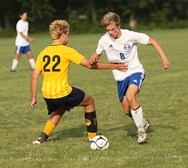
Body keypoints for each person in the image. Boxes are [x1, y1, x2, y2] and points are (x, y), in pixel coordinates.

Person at [30, 19, 128, 144]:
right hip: (63, 92)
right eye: (68, 34)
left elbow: (34, 76)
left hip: (47, 94)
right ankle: (92, 137)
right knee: (89, 101)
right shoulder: (67, 51)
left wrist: (33, 97)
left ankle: (42, 138)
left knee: (59, 109)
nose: (68, 38)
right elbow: (89, 65)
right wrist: (115, 66)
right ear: (64, 33)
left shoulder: (43, 52)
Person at [90, 12, 170, 144]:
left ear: (119, 26)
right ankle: (143, 122)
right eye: (108, 30)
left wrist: (164, 59)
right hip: (120, 78)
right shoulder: (104, 40)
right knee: (127, 111)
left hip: (135, 71)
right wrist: (94, 57)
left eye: (113, 29)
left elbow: (153, 41)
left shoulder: (130, 35)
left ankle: (141, 132)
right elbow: (97, 55)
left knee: (131, 96)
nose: (110, 32)